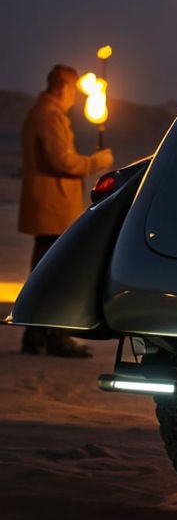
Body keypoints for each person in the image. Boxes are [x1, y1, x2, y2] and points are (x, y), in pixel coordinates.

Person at [18, 64, 113, 357]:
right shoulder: (49, 116)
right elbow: (63, 161)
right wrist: (95, 162)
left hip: (47, 206)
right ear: (63, 87)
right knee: (62, 271)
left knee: (45, 271)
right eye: (73, 90)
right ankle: (57, 337)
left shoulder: (41, 112)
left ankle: (35, 336)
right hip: (54, 206)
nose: (75, 97)